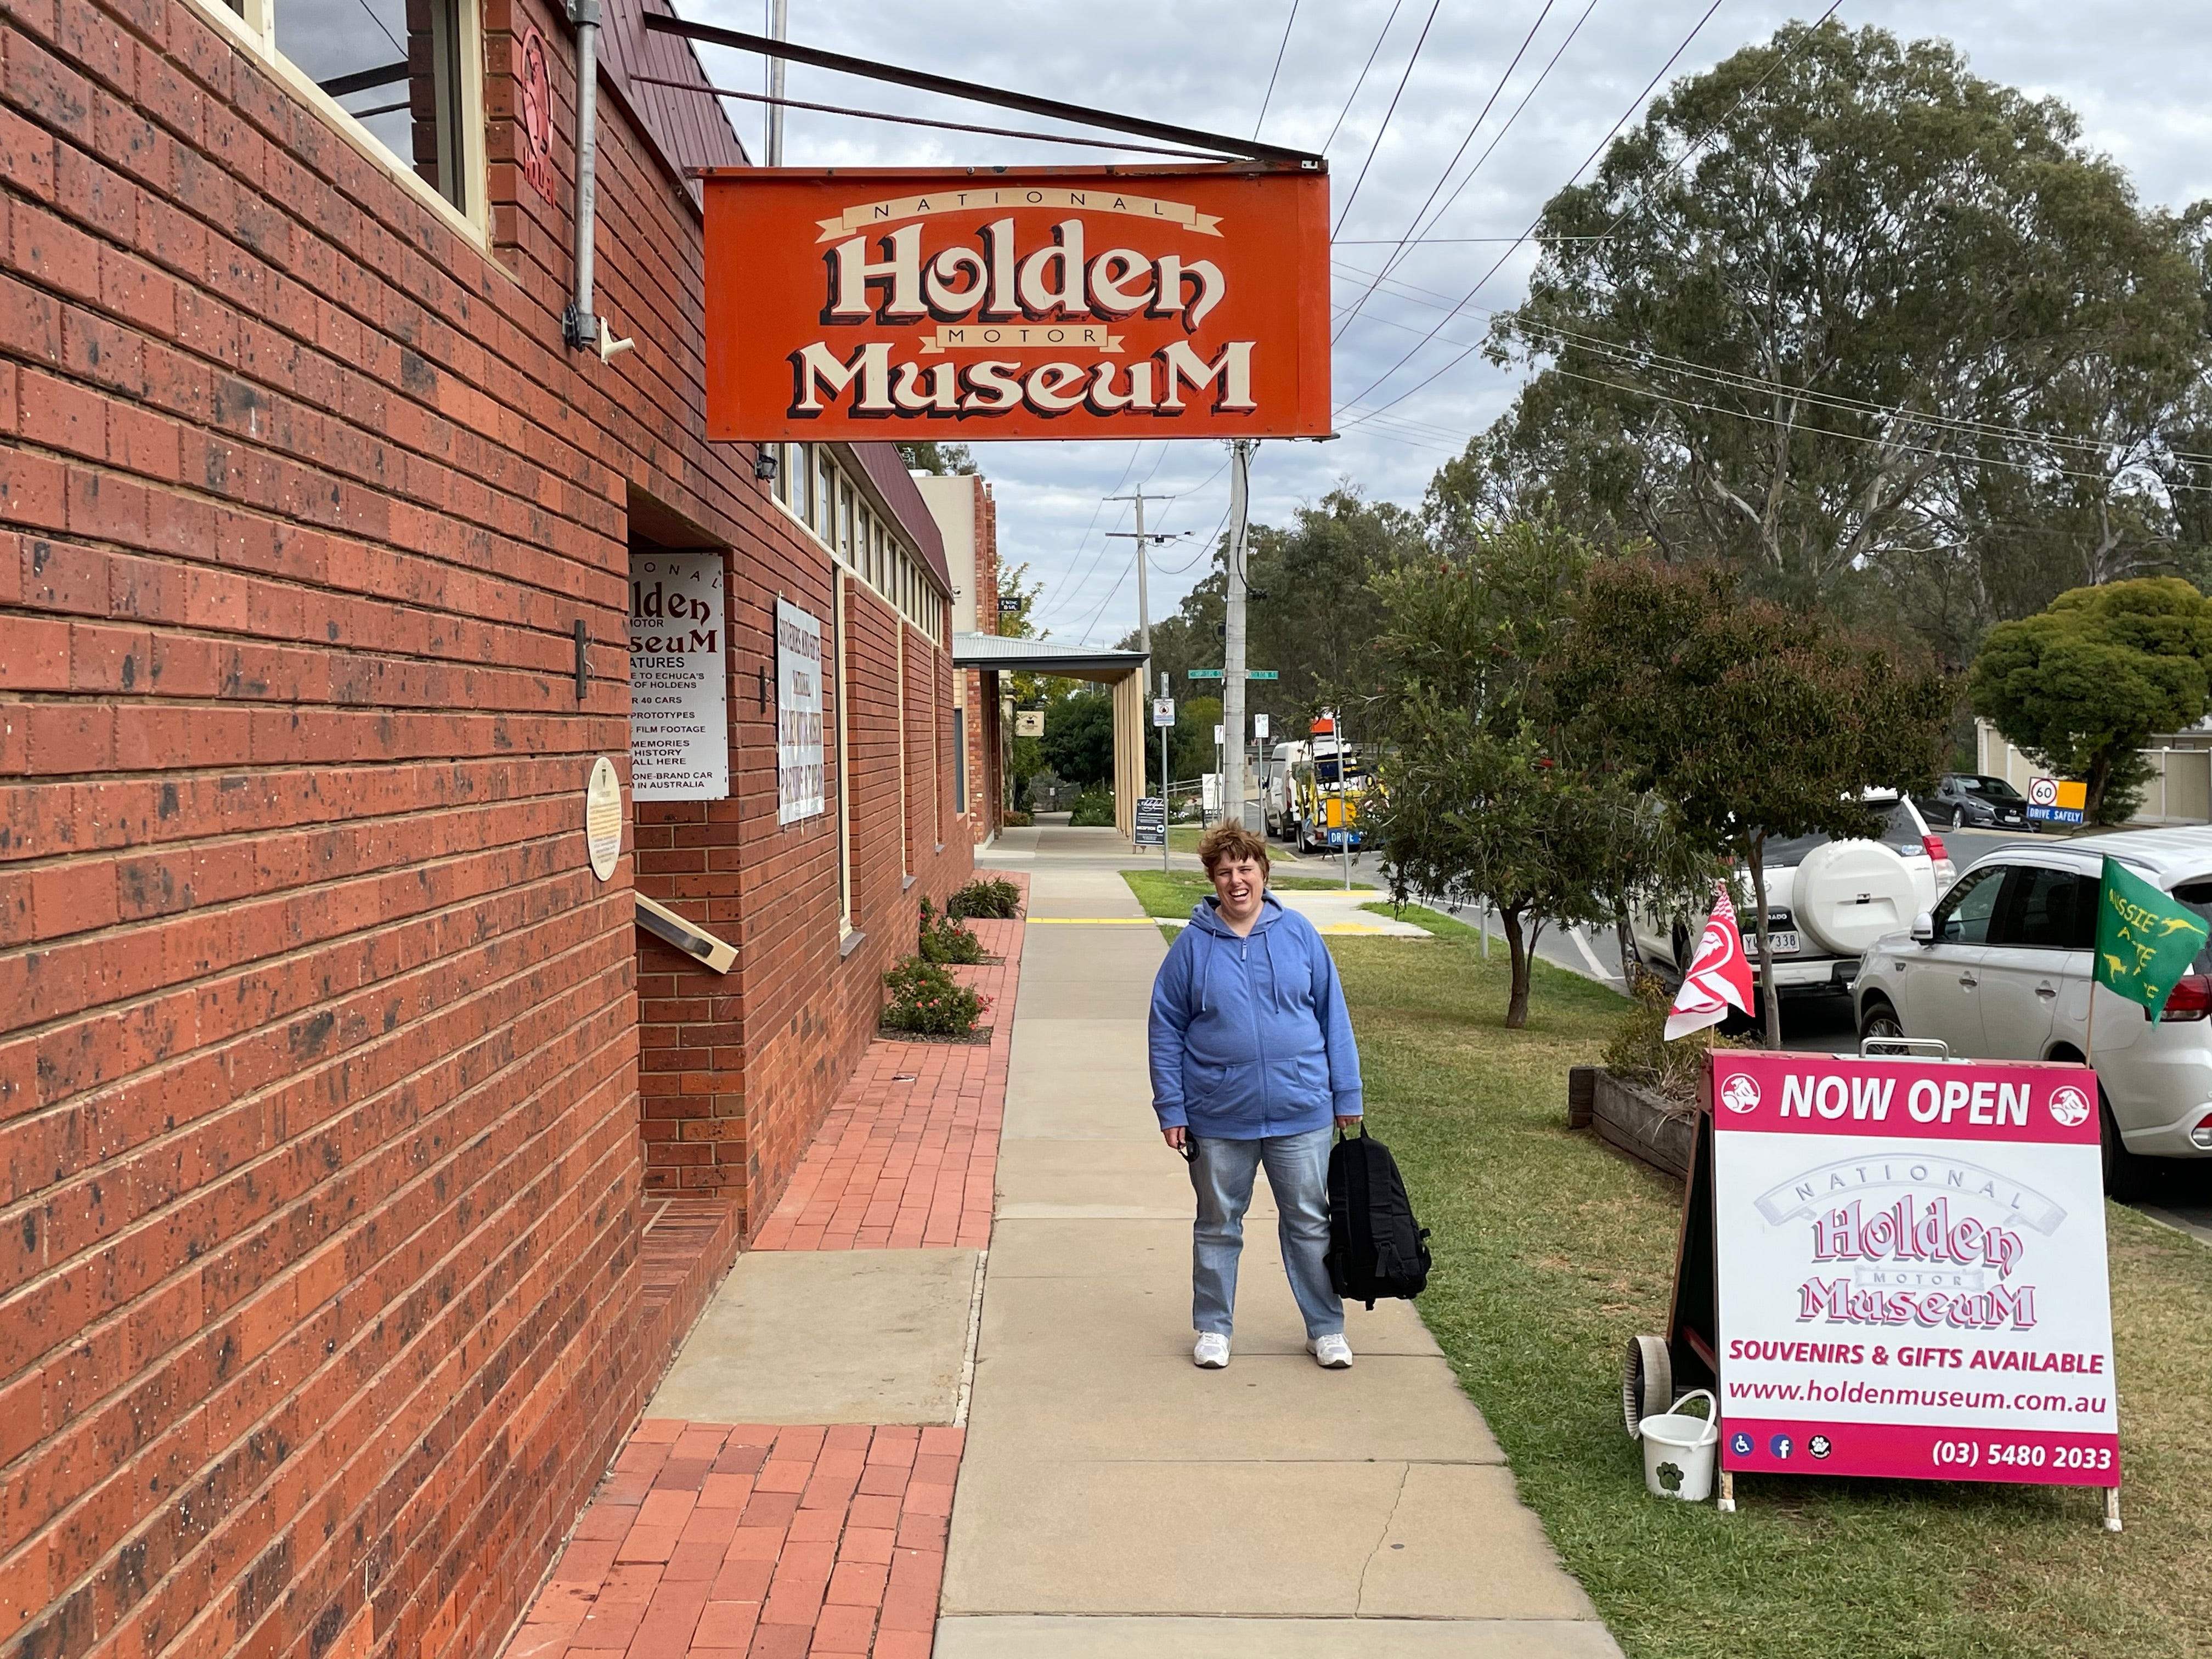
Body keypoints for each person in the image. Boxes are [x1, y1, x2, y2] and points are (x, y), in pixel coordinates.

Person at [1148, 821, 1364, 1370]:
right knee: (1218, 1223)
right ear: (1213, 880)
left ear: (1264, 873)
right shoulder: (1192, 947)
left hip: (1301, 1111)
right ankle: (1214, 1328)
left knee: (1310, 1222)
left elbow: (1332, 1015)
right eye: (1225, 872)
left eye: (1246, 868)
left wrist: (1347, 1093)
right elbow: (1165, 1028)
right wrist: (1171, 1108)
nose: (1236, 880)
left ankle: (1326, 1328)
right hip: (1219, 1116)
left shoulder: (1298, 935)